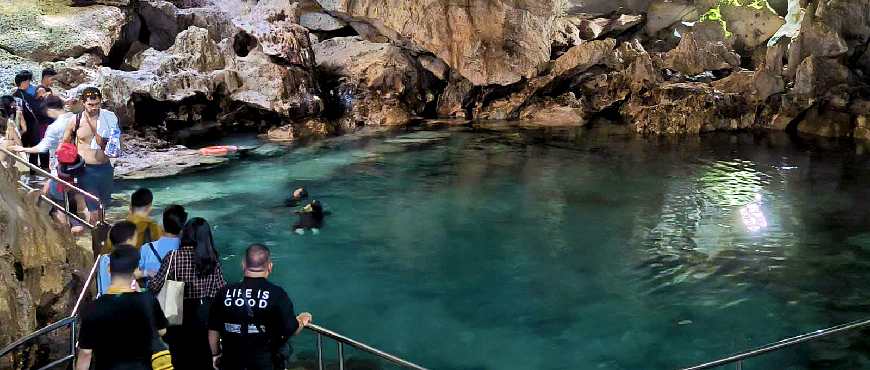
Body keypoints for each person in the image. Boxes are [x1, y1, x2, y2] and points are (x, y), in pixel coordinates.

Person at [208, 244, 313, 370]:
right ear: (270, 266)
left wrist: (216, 354)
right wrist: (302, 320)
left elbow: (213, 329)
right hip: (265, 364)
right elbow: (290, 329)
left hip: (231, 362)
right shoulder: (277, 294)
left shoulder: (224, 292)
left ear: (243, 264)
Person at [150, 217, 227, 370]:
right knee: (204, 358)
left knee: (179, 358)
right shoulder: (212, 259)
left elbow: (154, 286)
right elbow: (221, 289)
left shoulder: (173, 257)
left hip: (177, 316)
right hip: (205, 315)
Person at [75, 245, 169, 370]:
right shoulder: (148, 300)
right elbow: (162, 331)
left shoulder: (93, 308)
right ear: (136, 269)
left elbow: (86, 353)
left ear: (109, 269)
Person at [62, 87, 119, 224]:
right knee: (93, 210)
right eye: (90, 105)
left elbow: (117, 142)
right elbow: (65, 144)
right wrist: (64, 170)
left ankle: (98, 237)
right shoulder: (76, 121)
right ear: (83, 103)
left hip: (105, 168)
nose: (94, 108)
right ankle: (95, 240)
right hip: (86, 170)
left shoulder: (109, 118)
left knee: (103, 208)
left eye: (97, 104)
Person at [139, 204, 188, 282]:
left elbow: (136, 273)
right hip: (179, 292)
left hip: (153, 293)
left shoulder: (147, 248)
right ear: (183, 226)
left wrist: (146, 273)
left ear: (163, 224)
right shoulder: (187, 250)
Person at [12, 71, 47, 172]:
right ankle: (31, 174)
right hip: (28, 126)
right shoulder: (20, 96)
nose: (29, 83)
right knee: (30, 151)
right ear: (23, 82)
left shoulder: (23, 94)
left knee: (29, 151)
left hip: (30, 126)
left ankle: (30, 174)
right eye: (28, 81)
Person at [97, 221, 139, 296]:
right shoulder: (125, 260)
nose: (136, 242)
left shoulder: (104, 259)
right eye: (135, 238)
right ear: (128, 241)